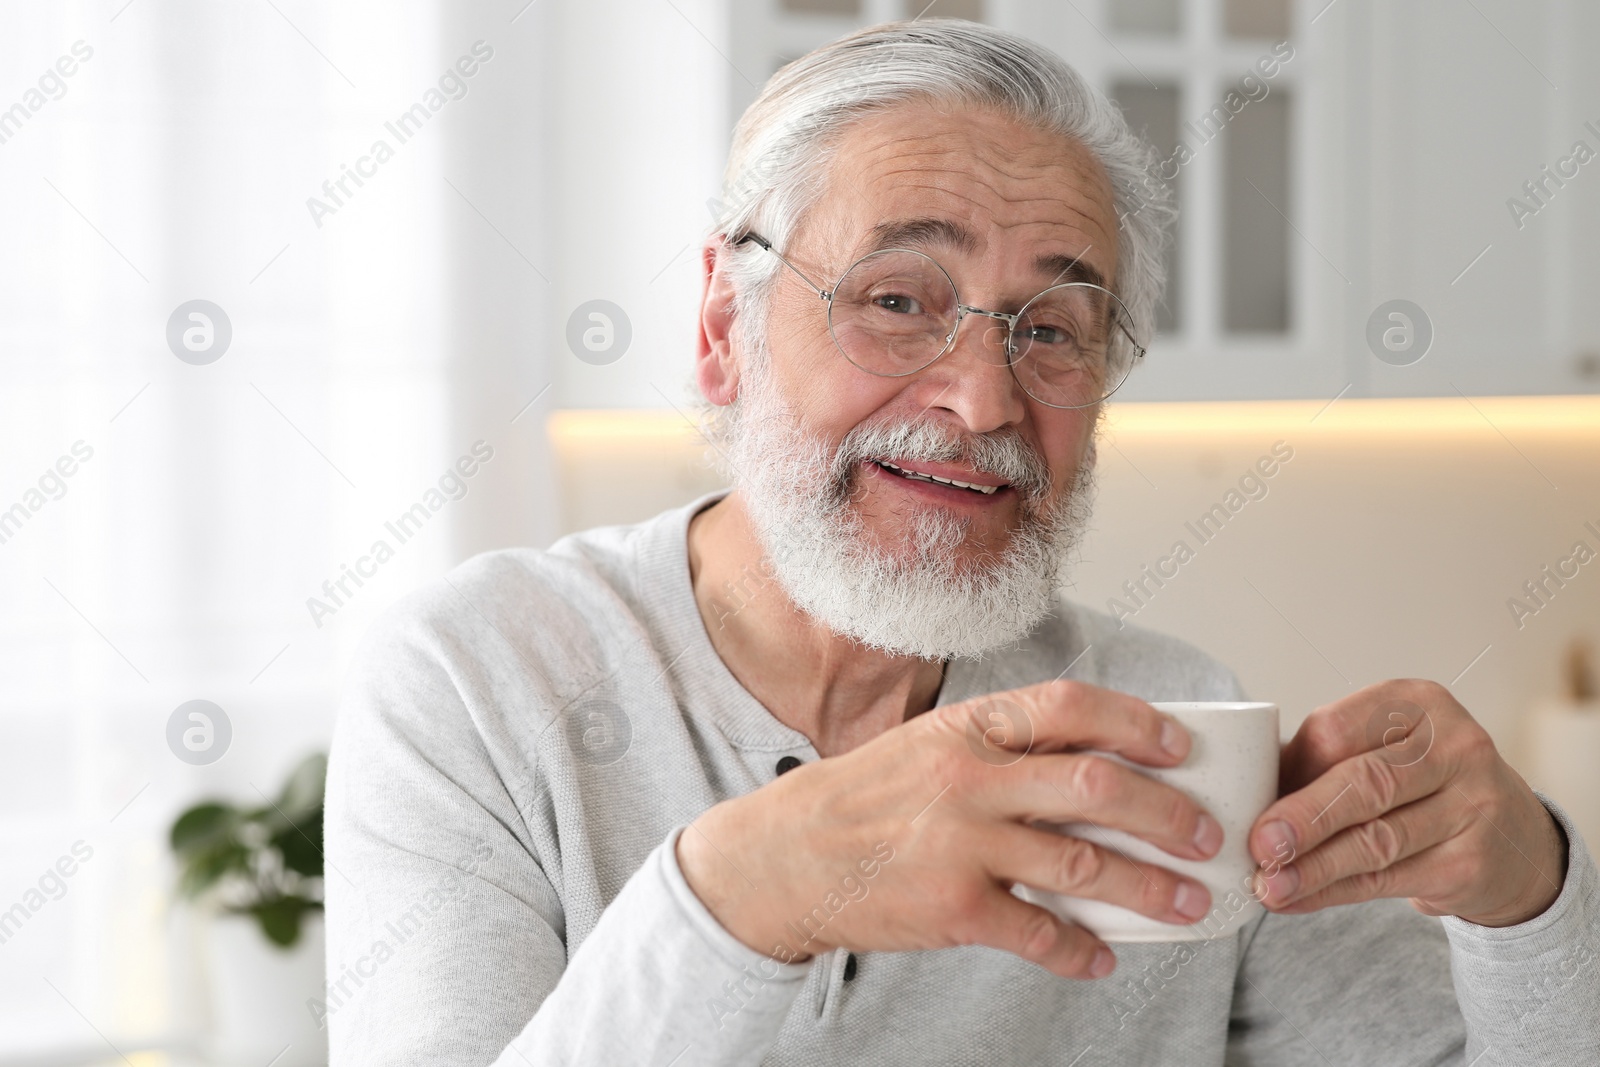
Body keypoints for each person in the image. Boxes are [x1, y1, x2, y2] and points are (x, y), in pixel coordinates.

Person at [324, 19, 1599, 1065]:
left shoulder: (1171, 721)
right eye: (896, 300)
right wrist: (743, 893)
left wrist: (1528, 894)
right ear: (723, 321)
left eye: (1051, 328)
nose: (983, 400)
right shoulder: (479, 680)